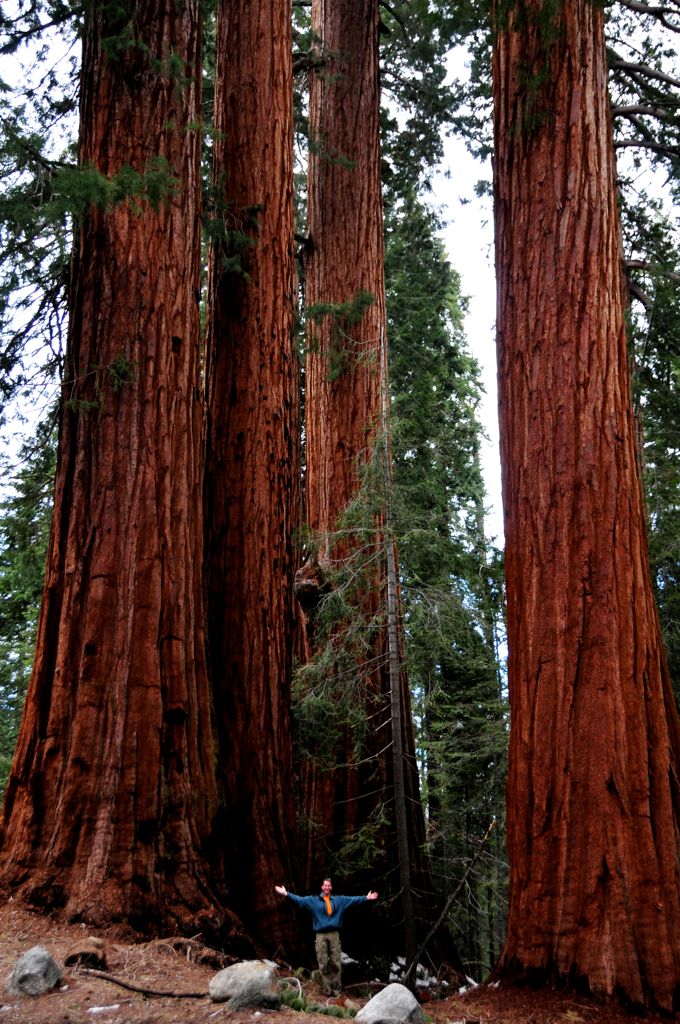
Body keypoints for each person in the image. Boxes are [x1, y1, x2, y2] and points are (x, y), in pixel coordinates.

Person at [275, 877, 378, 996]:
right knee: (322, 962)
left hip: (334, 934)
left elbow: (353, 900)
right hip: (320, 934)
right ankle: (327, 989)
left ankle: (336, 989)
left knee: (335, 961)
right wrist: (286, 893)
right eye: (325, 885)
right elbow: (300, 900)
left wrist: (366, 898)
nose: (327, 888)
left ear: (331, 887)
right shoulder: (313, 900)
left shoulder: (339, 900)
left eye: (329, 886)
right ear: (322, 887)